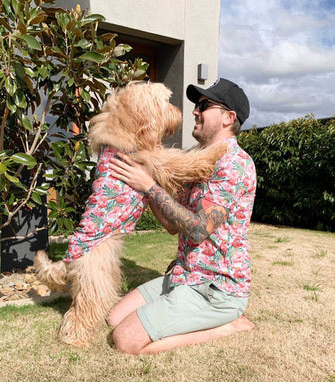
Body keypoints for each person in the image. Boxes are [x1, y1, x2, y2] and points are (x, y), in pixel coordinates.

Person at [108, 78, 257, 355]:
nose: (194, 111)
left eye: (203, 105)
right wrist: (147, 183)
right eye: (196, 105)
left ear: (228, 117)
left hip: (216, 290)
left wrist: (149, 185)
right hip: (185, 275)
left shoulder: (233, 163)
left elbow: (199, 229)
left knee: (125, 340)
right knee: (114, 317)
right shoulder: (195, 159)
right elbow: (171, 225)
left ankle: (226, 326)